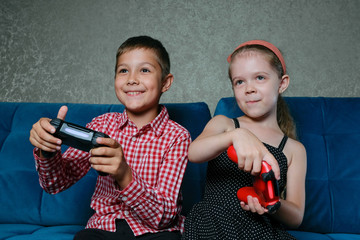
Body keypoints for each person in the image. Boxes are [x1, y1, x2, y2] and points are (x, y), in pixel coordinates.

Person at [29, 36, 191, 240]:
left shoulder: (177, 136)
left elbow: (163, 218)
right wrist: (48, 148)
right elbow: (55, 184)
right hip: (104, 228)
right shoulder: (101, 125)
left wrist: (124, 174)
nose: (132, 79)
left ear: (165, 82)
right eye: (123, 70)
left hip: (156, 232)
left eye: (145, 70)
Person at [183, 40, 307, 239]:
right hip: (214, 222)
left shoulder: (294, 149)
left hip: (261, 230)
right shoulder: (224, 124)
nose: (249, 88)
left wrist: (270, 200)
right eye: (239, 82)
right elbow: (194, 152)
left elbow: (296, 216)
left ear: (282, 83)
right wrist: (236, 136)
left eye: (259, 77)